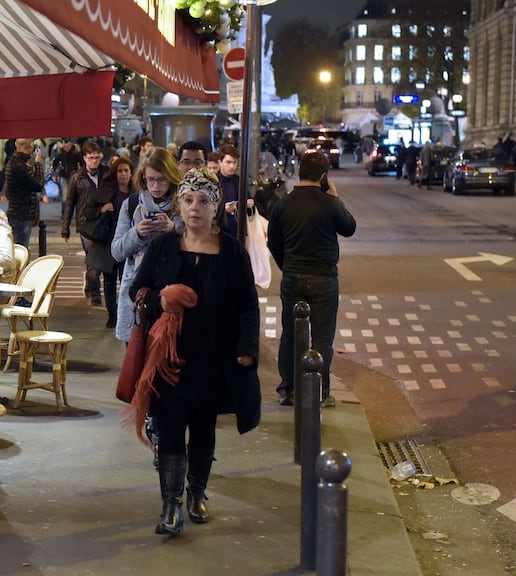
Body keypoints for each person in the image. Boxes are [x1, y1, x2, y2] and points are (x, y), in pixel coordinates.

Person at [126, 167, 261, 536]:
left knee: (203, 430)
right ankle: (170, 504)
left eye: (203, 200)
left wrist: (248, 348)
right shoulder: (163, 246)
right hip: (168, 359)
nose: (195, 207)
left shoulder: (232, 252)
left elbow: (248, 305)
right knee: (170, 431)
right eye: (187, 200)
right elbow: (136, 292)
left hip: (213, 359)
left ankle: (197, 492)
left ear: (215, 207)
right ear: (179, 205)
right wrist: (161, 298)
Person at [267, 151, 357, 408]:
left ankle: (287, 389)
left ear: (299, 172)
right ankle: (320, 391)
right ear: (324, 176)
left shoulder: (283, 204)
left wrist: (288, 266)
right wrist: (335, 197)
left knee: (289, 333)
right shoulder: (329, 203)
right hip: (323, 277)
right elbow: (349, 228)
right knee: (322, 337)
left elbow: (273, 241)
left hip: (293, 275)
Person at [111, 147, 181, 343]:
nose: (156, 185)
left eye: (161, 179)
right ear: (143, 178)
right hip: (137, 294)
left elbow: (193, 248)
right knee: (135, 362)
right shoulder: (132, 204)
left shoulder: (182, 204)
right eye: (150, 179)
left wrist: (173, 229)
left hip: (170, 293)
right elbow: (116, 251)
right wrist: (137, 233)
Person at [81, 155, 132, 327]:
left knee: (127, 280)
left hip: (129, 243)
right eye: (120, 171)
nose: (123, 174)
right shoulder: (107, 191)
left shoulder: (137, 193)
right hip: (109, 243)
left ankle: (125, 313)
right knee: (109, 280)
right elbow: (87, 210)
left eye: (126, 170)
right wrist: (102, 209)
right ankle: (112, 314)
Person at [62, 141, 108, 307]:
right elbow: (70, 203)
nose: (94, 161)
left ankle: (90, 283)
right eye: (91, 158)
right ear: (84, 158)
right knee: (93, 259)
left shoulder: (107, 174)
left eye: (96, 157)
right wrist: (65, 227)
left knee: (98, 259)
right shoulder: (77, 177)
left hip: (103, 222)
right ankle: (95, 293)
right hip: (85, 224)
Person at [4, 138, 45, 247]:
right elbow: (37, 185)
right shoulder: (19, 165)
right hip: (21, 213)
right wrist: (38, 164)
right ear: (29, 147)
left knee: (20, 246)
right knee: (21, 248)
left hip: (18, 212)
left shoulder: (17, 162)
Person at [215, 144, 252, 238]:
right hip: (219, 230)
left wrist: (250, 204)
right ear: (220, 162)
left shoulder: (240, 180)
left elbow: (249, 202)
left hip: (239, 230)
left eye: (234, 162)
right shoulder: (213, 181)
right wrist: (223, 209)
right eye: (228, 162)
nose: (232, 166)